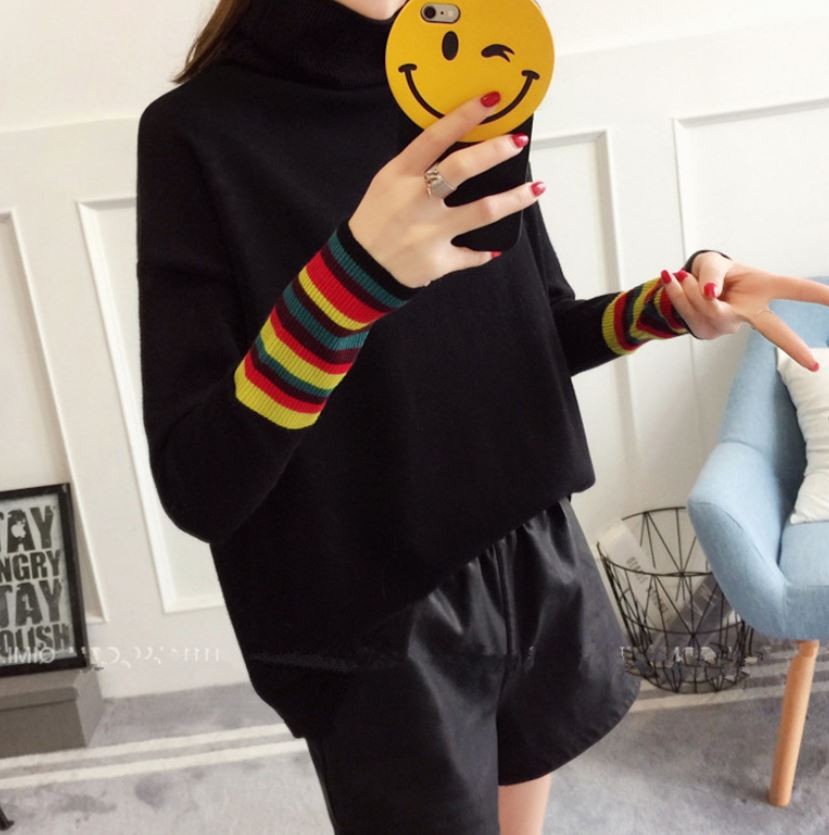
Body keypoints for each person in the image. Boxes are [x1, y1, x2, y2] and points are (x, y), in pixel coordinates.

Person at [135, 0, 829, 832]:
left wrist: (668, 304)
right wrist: (349, 282)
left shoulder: (469, 73)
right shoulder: (197, 133)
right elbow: (199, 481)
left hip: (529, 544)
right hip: (374, 610)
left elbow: (532, 330)